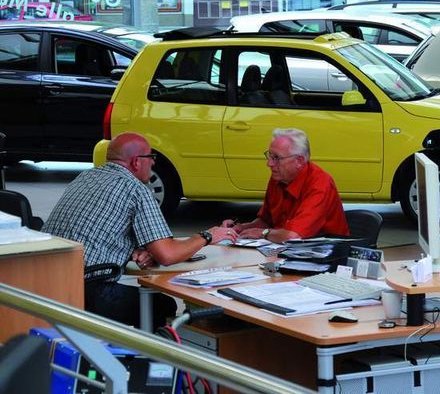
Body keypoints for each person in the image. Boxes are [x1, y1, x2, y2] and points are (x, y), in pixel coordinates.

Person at [42, 132, 236, 328]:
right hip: (85, 290)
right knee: (162, 305)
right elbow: (167, 254)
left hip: (45, 282)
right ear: (136, 162)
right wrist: (208, 235)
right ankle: (149, 357)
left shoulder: (86, 177)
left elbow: (96, 231)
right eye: (151, 157)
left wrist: (138, 249)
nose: (153, 164)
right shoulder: (135, 189)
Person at [223, 128, 348, 243]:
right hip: (284, 249)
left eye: (276, 158)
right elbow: (266, 221)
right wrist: (241, 228)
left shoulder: (320, 184)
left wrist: (263, 233)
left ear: (299, 161)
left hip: (322, 256)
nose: (269, 163)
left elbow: (293, 236)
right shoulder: (279, 177)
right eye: (270, 156)